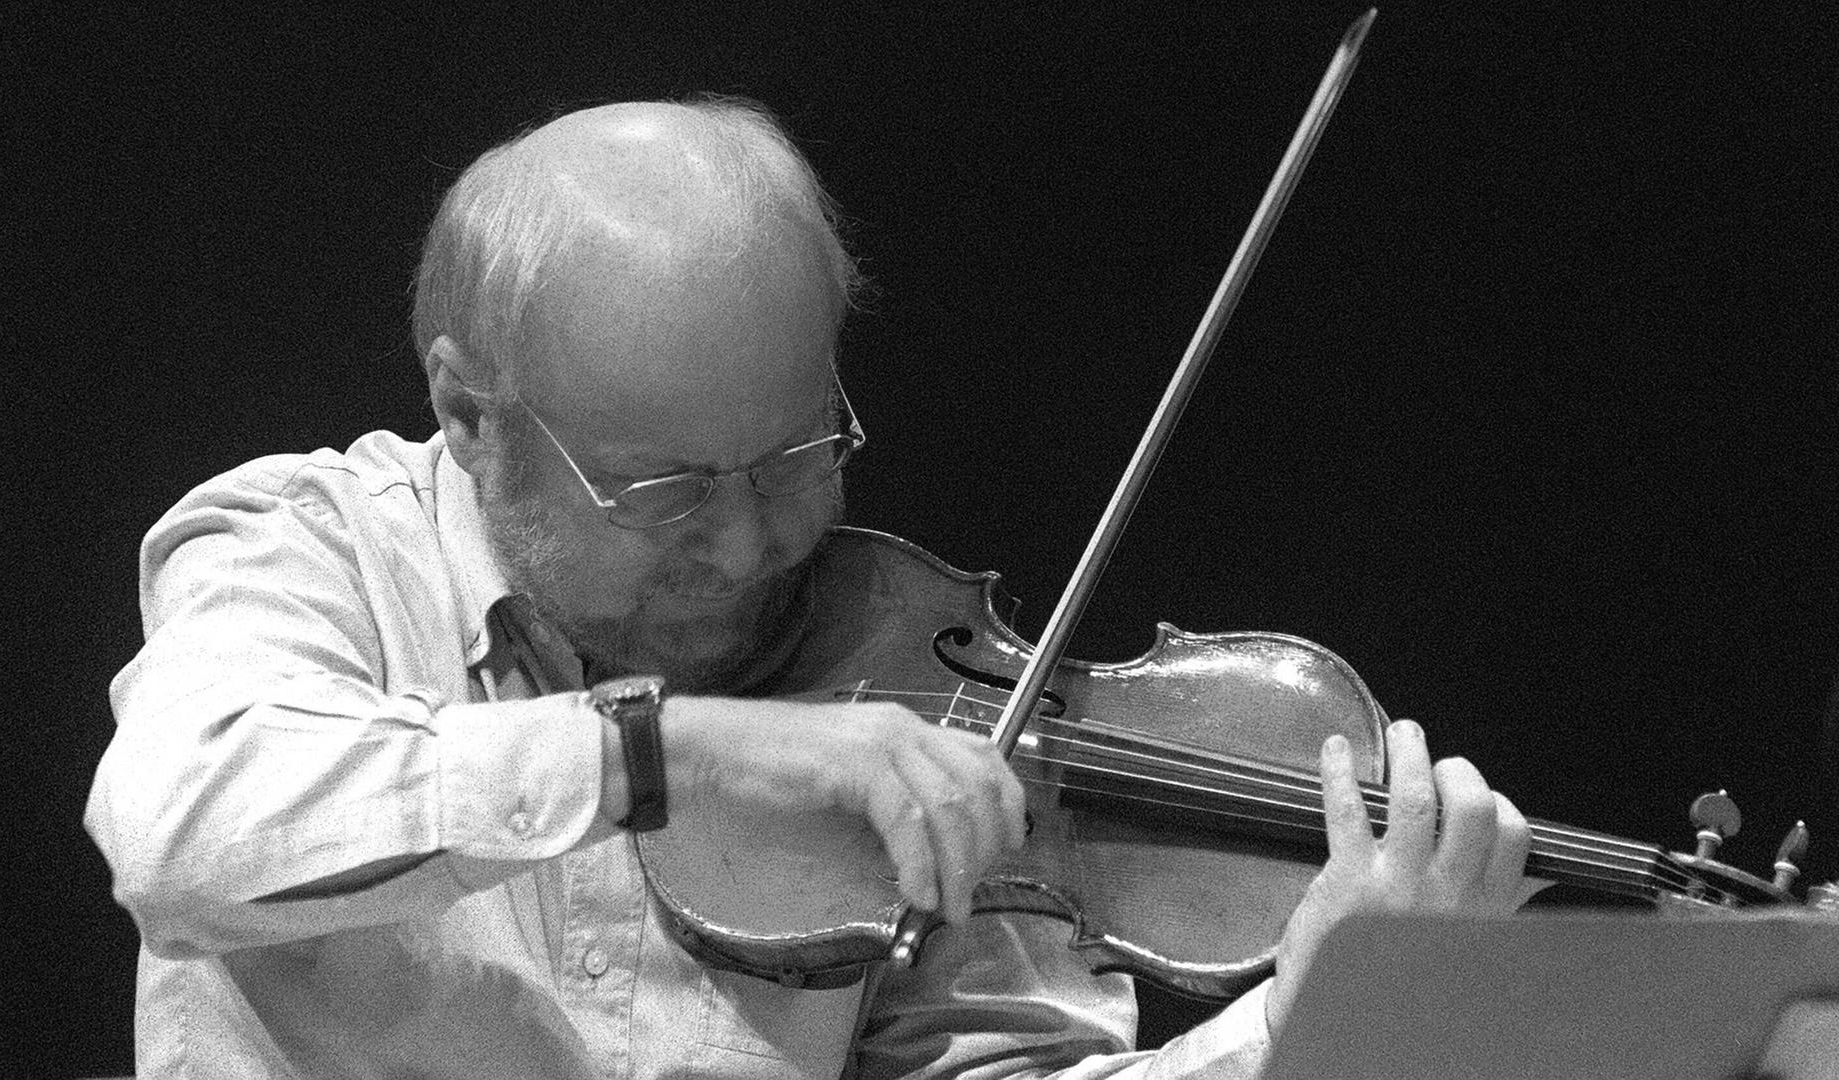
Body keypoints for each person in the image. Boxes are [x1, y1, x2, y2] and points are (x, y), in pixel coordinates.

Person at [86, 96, 1535, 1078]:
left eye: (795, 457)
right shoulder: (303, 549)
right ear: (470, 414)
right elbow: (181, 834)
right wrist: (673, 751)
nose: (747, 547)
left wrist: (1304, 1022)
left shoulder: (901, 674)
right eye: (665, 492)